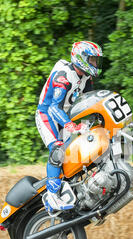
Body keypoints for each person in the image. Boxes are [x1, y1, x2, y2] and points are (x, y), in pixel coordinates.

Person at [35, 41, 103, 213]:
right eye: (92, 60)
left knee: (76, 151)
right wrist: (70, 126)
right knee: (57, 149)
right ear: (81, 59)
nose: (95, 64)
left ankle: (76, 188)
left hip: (66, 115)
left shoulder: (87, 77)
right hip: (48, 114)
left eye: (96, 61)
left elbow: (88, 102)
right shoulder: (63, 77)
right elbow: (53, 107)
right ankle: (51, 196)